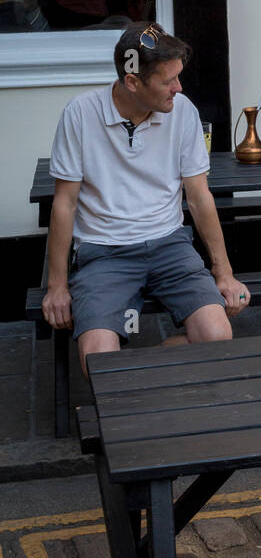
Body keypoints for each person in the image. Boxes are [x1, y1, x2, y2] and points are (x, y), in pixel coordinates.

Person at [42, 23, 249, 375]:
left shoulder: (182, 111)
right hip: (103, 252)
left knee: (218, 337)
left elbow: (198, 197)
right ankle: (139, 380)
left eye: (178, 77)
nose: (178, 88)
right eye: (167, 81)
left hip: (170, 245)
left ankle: (152, 360)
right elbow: (65, 203)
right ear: (133, 81)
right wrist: (57, 286)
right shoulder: (80, 113)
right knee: (99, 362)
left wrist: (224, 273)